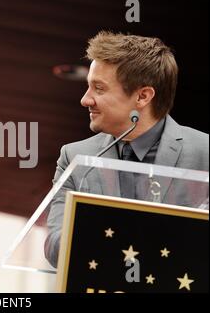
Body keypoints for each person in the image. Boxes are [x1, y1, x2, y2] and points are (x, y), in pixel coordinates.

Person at [45, 31, 209, 268]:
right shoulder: (75, 158)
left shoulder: (205, 154)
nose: (85, 99)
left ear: (143, 96)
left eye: (98, 88)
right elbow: (55, 247)